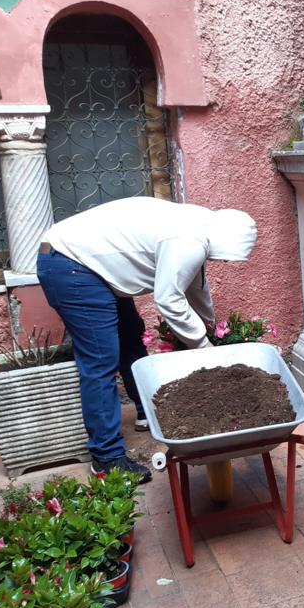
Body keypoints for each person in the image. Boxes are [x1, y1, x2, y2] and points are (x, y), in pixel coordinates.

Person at [36, 197, 258, 482]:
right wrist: (204, 347)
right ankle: (106, 458)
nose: (224, 261)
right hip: (70, 265)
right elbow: (169, 300)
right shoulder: (188, 239)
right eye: (226, 257)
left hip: (85, 265)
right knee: (101, 359)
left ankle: (145, 412)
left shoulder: (201, 225)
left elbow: (195, 287)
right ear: (222, 243)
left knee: (130, 336)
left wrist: (210, 326)